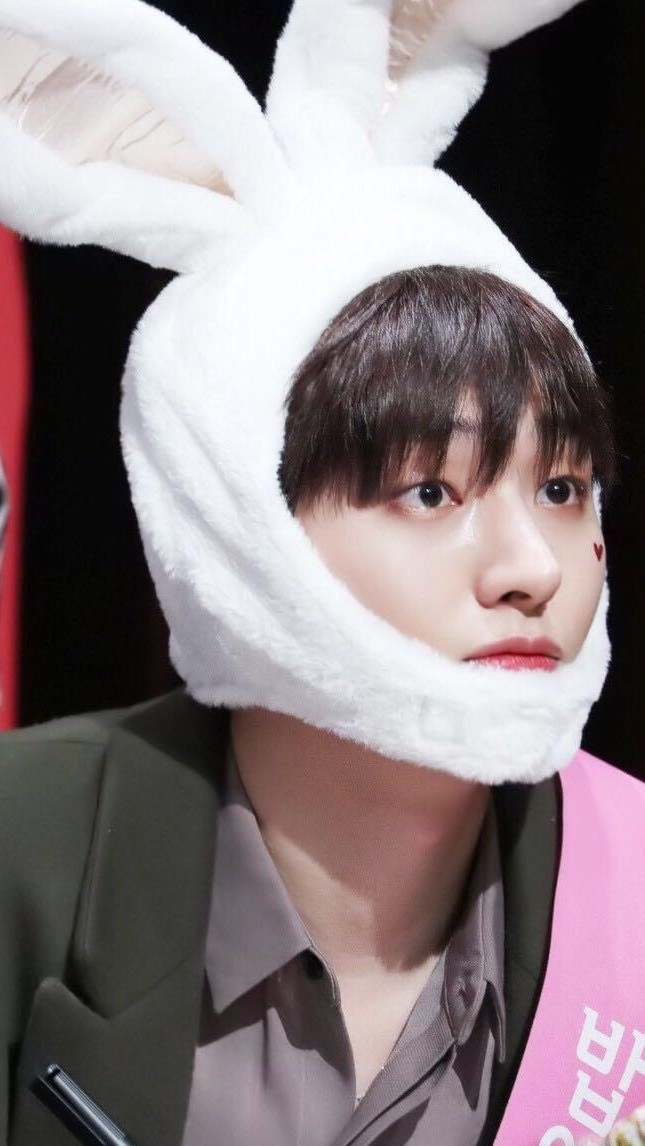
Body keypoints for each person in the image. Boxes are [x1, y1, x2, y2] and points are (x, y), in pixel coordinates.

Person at [0, 1, 643, 1145]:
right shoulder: (24, 851)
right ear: (244, 520)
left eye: (561, 488)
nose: (530, 570)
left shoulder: (628, 887)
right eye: (431, 494)